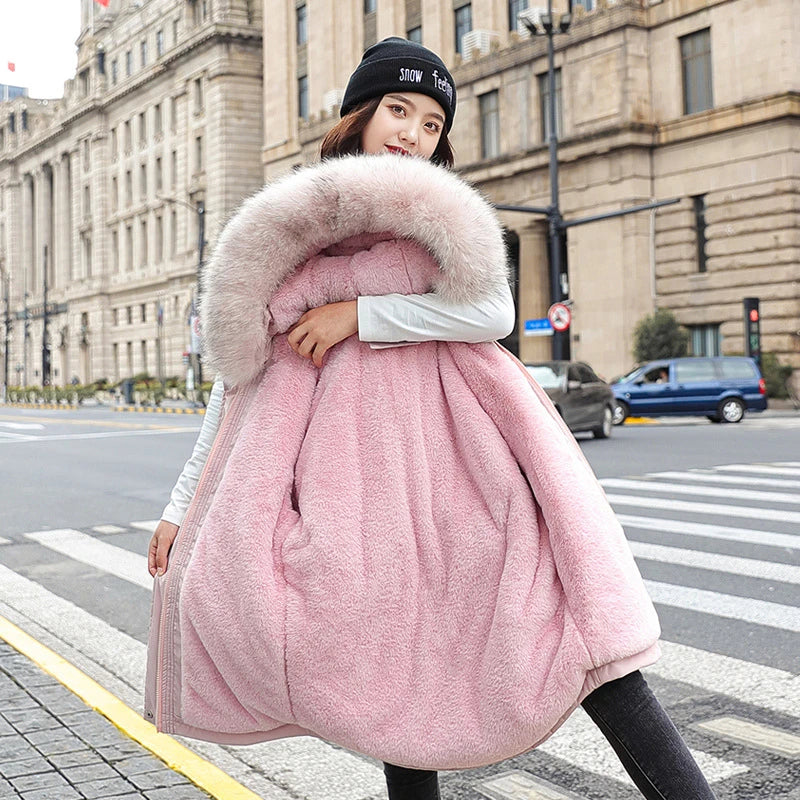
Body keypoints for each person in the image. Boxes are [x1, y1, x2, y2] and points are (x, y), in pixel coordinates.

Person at [146, 38, 715, 800]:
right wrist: (182, 506)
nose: (412, 132)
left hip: (472, 484)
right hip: (360, 503)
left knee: (583, 642)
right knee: (394, 675)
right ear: (360, 115)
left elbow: (492, 310)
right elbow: (239, 380)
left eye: (432, 122)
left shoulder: (441, 215)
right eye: (398, 109)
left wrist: (361, 313)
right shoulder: (291, 227)